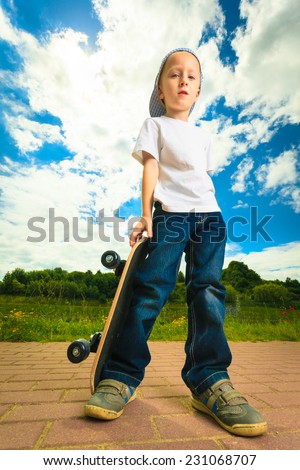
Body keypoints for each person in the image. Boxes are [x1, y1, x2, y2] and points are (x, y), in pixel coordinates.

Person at [84, 48, 267, 437]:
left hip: (211, 220)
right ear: (161, 90)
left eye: (192, 77)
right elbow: (151, 167)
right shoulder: (156, 125)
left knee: (207, 292)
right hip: (169, 216)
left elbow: (201, 179)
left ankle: (209, 379)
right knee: (151, 290)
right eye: (174, 75)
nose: (183, 80)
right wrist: (147, 214)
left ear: (198, 91)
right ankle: (120, 376)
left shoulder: (203, 136)